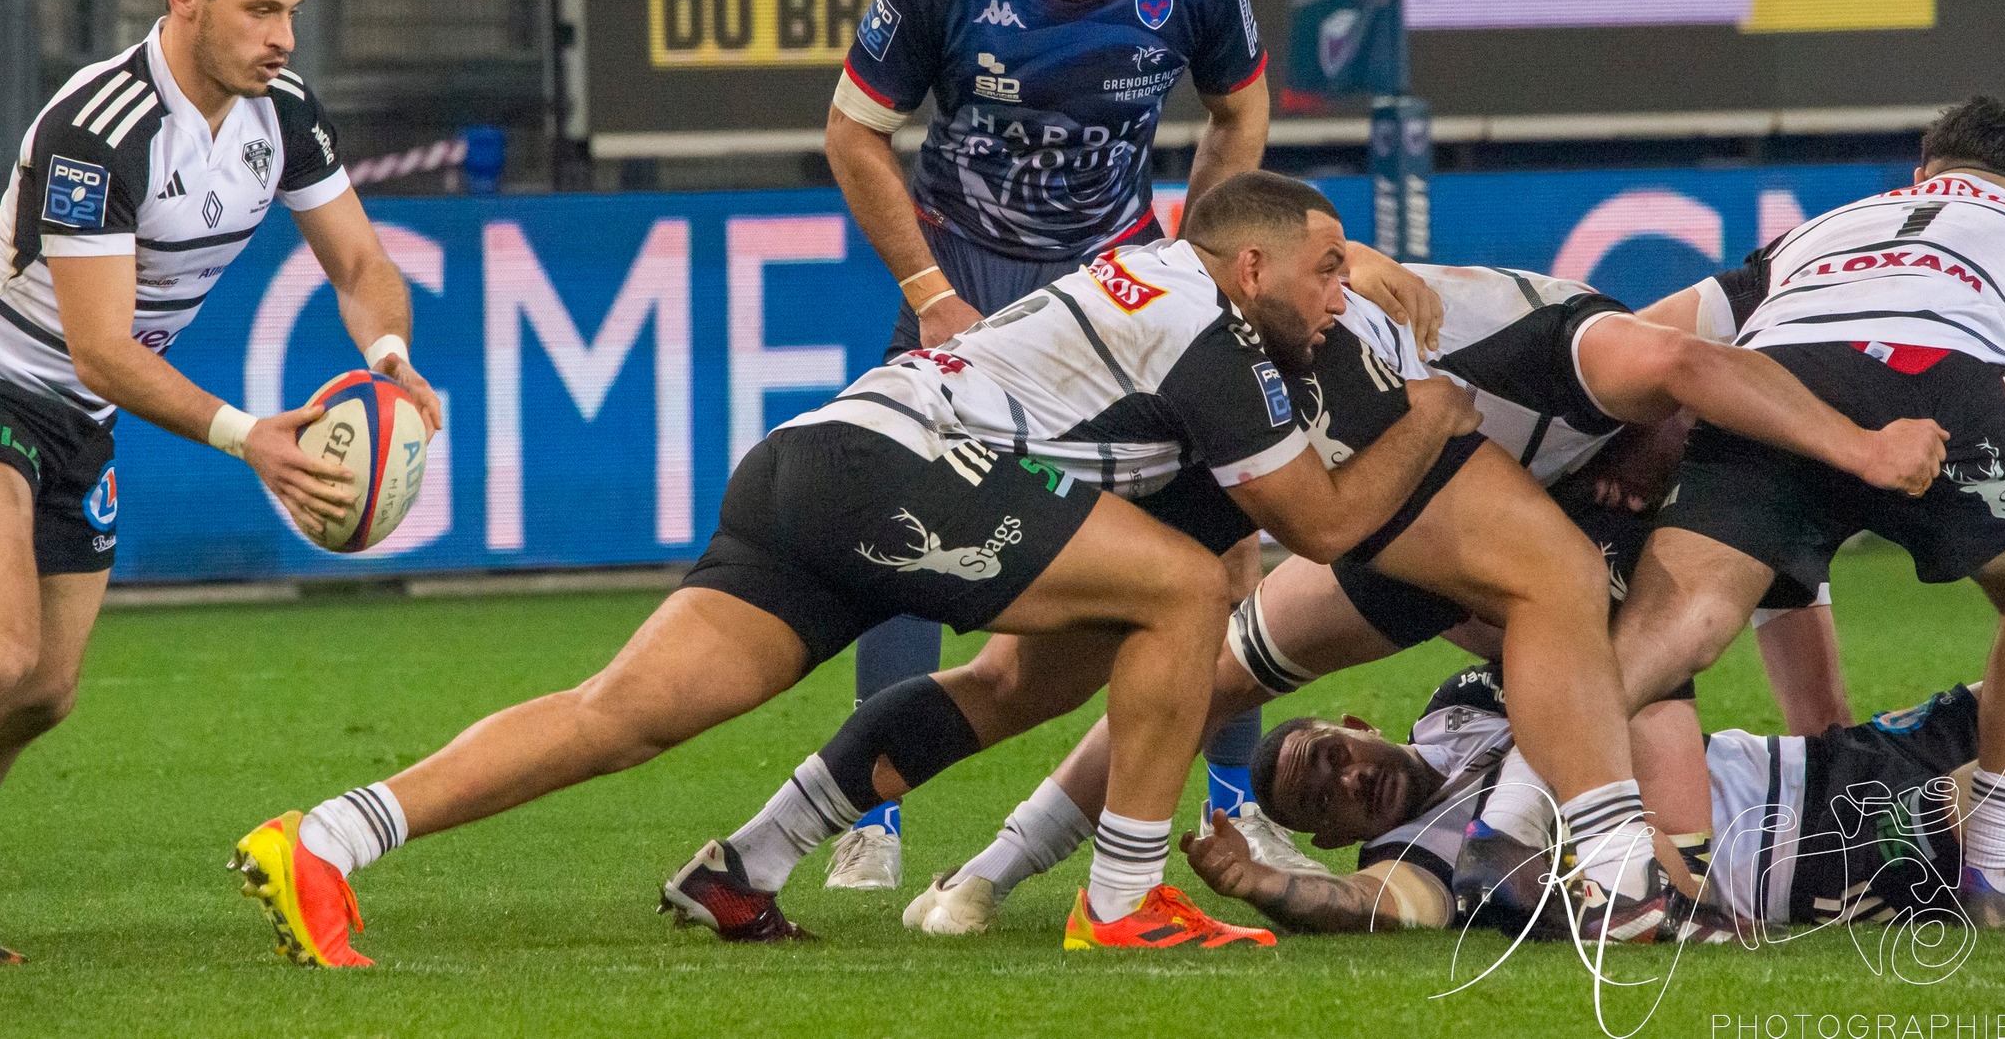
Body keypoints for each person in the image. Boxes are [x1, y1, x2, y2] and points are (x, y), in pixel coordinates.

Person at [230, 172, 1433, 964]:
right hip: (905, 466)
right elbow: (1318, 526)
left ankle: (331, 838)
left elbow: (1245, 268)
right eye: (1326, 270)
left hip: (815, 456)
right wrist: (1434, 416)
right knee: (1185, 590)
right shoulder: (1218, 332)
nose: (1340, 295)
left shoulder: (1179, 279)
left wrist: (1355, 262)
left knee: (628, 712)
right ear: (1251, 270)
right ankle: (1121, 900)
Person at [901, 263, 1943, 940]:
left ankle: (1616, 869)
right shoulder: (1633, 348)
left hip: (1468, 536)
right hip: (1419, 512)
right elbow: (1686, 349)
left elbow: (1793, 639)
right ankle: (995, 863)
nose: (1642, 478)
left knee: (1626, 654)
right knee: (1206, 665)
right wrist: (1860, 447)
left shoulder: (1733, 494)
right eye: (1672, 425)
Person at [818, 0, 1302, 889]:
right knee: (896, 536)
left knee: (1221, 527)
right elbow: (851, 132)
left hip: (1120, 282)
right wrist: (929, 290)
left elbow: (1241, 111)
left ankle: (1234, 805)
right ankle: (869, 819)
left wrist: (1195, 261)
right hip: (968, 277)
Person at [0, 0, 441, 967]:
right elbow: (100, 348)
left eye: (291, 12)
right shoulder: (98, 130)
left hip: (79, 418)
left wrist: (389, 358)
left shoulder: (284, 113)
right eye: (260, 11)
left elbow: (360, 264)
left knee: (41, 692)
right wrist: (246, 435)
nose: (284, 38)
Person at [1609, 95, 2005, 929]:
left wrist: (1632, 441)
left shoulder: (1828, 226)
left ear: (1922, 175)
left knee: (1680, 627)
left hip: (1781, 376)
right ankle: (1997, 865)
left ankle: (1512, 818)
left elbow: (1641, 338)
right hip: (1950, 365)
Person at [1185, 663, 1983, 941]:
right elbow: (1372, 904)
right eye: (1322, 801)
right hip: (1809, 851)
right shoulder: (1410, 855)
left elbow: (1575, 642)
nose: (1348, 780)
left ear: (1356, 725)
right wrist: (1263, 886)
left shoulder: (1460, 701)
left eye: (1334, 756)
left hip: (1816, 757)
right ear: (1329, 840)